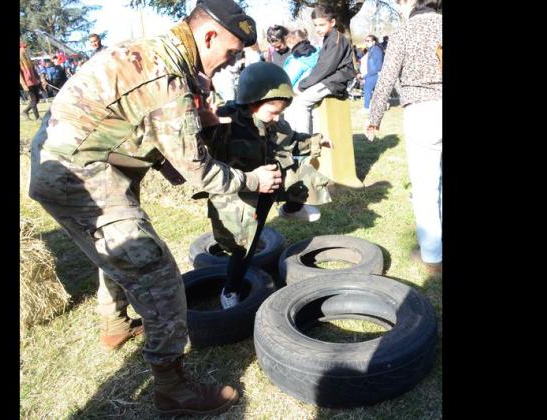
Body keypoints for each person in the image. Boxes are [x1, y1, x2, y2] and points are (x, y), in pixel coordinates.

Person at [27, 0, 281, 415]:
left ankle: (115, 324)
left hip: (85, 160)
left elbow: (148, 126)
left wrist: (200, 121)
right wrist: (254, 180)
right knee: (156, 273)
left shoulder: (158, 52)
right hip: (80, 174)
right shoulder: (166, 76)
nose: (229, 62)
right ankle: (172, 389)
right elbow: (197, 172)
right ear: (209, 36)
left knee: (118, 250)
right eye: (231, 53)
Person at [200, 62, 332, 308]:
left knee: (305, 174)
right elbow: (200, 139)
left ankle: (291, 208)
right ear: (252, 104)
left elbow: (290, 141)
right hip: (238, 194)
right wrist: (206, 123)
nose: (278, 118)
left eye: (281, 112)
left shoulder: (274, 123)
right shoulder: (226, 120)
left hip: (268, 184)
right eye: (273, 111)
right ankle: (230, 290)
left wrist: (317, 141)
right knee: (244, 247)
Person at [364, 0, 442, 273]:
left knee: (426, 188)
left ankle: (432, 255)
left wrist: (374, 119)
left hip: (423, 112)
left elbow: (386, 79)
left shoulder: (404, 32)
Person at [283, 4, 356, 135]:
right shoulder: (329, 39)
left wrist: (301, 86)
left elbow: (324, 68)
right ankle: (316, 139)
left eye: (321, 25)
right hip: (328, 80)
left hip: (334, 83)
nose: (317, 29)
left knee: (301, 102)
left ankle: (303, 142)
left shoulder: (336, 40)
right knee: (309, 105)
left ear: (332, 22)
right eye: (315, 25)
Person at [361, 35, 384, 113]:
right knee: (376, 92)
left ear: (373, 42)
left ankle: (366, 108)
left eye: (368, 41)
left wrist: (367, 75)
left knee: (367, 89)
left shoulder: (376, 50)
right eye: (365, 40)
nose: (366, 42)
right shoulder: (372, 49)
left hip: (374, 74)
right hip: (373, 73)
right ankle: (382, 106)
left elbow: (377, 65)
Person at [19, 42, 42, 120]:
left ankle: (25, 111)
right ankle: (37, 117)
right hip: (27, 83)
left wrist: (38, 78)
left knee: (37, 99)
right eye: (24, 47)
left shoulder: (28, 58)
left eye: (26, 47)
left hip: (33, 81)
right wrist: (24, 84)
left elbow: (33, 70)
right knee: (34, 100)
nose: (26, 49)